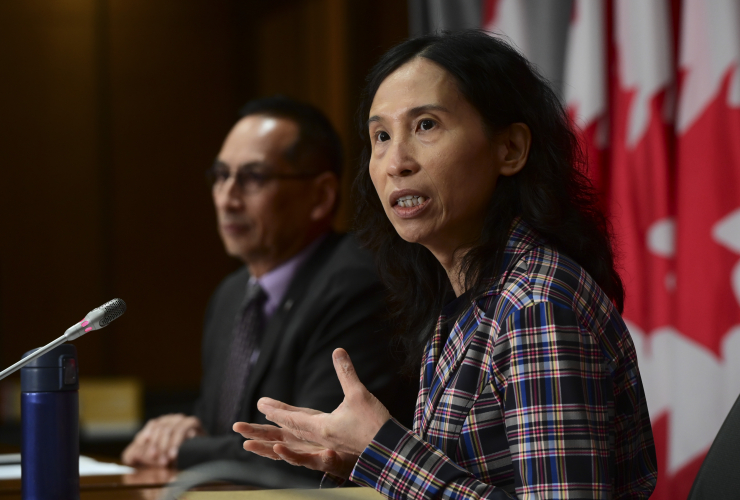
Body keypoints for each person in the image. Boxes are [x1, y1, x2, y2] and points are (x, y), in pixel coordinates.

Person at [234, 31, 659, 499]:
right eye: (380, 136)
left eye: (426, 126)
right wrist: (364, 457)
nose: (396, 162)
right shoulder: (465, 296)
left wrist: (387, 451)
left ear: (510, 149)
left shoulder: (534, 307)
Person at [121, 96, 415, 485]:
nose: (227, 198)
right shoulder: (231, 295)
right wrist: (181, 427)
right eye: (221, 175)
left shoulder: (356, 284)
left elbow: (312, 450)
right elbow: (218, 421)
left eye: (254, 177)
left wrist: (182, 448)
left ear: (321, 196)